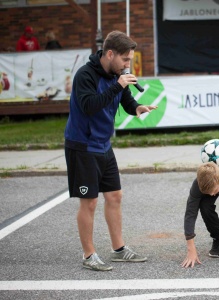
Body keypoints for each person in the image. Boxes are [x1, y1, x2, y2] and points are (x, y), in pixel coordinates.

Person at [64, 30, 157, 271]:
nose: (128, 65)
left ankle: (119, 249)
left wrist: (137, 108)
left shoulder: (118, 75)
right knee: (90, 202)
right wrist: (117, 86)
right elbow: (89, 106)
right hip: (82, 145)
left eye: (130, 61)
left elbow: (126, 101)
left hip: (103, 145)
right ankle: (88, 255)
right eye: (125, 60)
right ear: (110, 53)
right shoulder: (85, 75)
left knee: (115, 196)